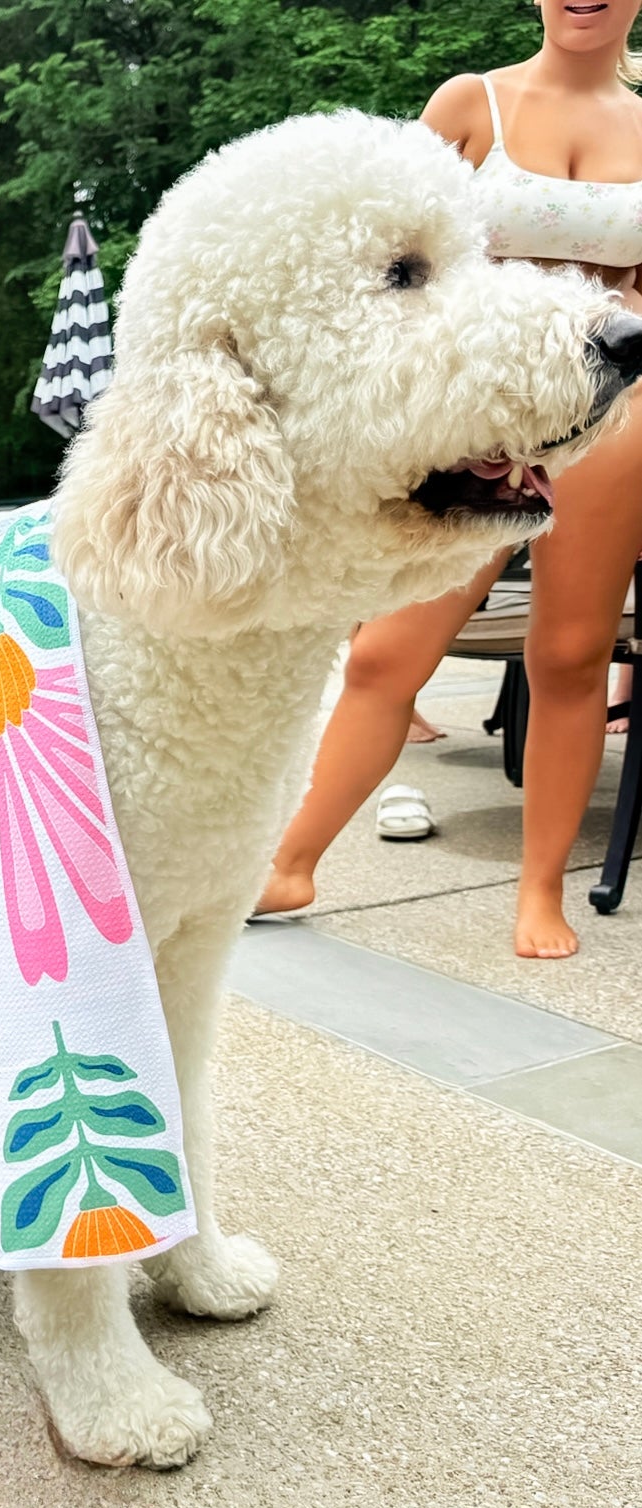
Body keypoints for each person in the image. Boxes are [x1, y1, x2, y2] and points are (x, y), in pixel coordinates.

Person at [256, 0, 642, 959]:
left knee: (569, 656)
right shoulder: (471, 103)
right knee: (388, 652)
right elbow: (384, 256)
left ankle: (539, 890)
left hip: (609, 409)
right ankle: (291, 859)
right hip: (473, 400)